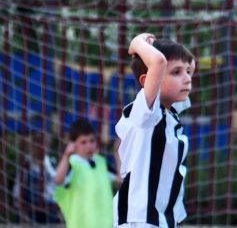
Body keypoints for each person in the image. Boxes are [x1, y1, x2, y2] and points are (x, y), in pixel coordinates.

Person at [114, 33, 195, 228]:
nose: (187, 78)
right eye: (176, 72)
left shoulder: (170, 112)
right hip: (139, 220)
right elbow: (158, 62)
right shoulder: (146, 115)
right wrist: (138, 43)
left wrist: (168, 48)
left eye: (187, 72)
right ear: (147, 80)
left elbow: (191, 61)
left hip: (160, 221)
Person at [53, 118, 115, 228]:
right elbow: (58, 181)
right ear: (73, 144)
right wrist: (66, 155)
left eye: (92, 141)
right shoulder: (72, 163)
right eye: (83, 142)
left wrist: (117, 151)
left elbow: (120, 178)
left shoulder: (101, 163)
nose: (89, 146)